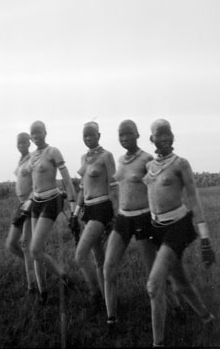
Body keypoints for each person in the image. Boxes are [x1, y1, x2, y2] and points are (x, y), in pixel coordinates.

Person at [103, 120, 183, 334]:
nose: (124, 139)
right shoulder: (120, 159)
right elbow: (120, 189)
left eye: (128, 134)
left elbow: (159, 189)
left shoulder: (147, 159)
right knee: (109, 267)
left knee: (152, 273)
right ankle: (111, 317)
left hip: (142, 220)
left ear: (137, 135)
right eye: (121, 135)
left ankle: (176, 307)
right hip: (122, 219)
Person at [144, 118, 216, 347]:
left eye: (167, 136)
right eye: (159, 136)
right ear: (151, 139)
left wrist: (205, 239)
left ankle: (158, 343)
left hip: (178, 226)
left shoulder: (181, 164)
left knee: (154, 285)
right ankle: (208, 318)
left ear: (172, 138)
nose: (163, 140)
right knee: (180, 282)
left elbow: (194, 198)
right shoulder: (149, 166)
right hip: (156, 229)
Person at [69, 121, 118, 313]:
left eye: (91, 135)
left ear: (99, 135)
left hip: (102, 208)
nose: (88, 138)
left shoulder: (107, 156)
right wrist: (75, 214)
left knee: (81, 255)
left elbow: (114, 187)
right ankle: (108, 300)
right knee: (98, 258)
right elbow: (82, 189)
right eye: (85, 135)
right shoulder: (84, 157)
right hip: (89, 210)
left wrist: (115, 216)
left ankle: (95, 293)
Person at [27, 120, 77, 305]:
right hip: (36, 202)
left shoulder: (53, 152)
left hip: (52, 201)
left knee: (34, 249)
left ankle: (63, 274)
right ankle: (43, 293)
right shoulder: (31, 156)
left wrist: (72, 209)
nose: (36, 136)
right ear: (30, 137)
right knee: (37, 250)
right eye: (33, 133)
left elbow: (67, 180)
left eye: (39, 132)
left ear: (45, 133)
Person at [5, 132, 36, 295]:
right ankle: (34, 266)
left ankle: (32, 286)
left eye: (24, 143)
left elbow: (36, 184)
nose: (21, 145)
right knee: (11, 244)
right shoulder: (21, 160)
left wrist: (30, 202)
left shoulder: (32, 159)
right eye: (19, 143)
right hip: (21, 205)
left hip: (30, 205)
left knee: (25, 245)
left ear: (29, 143)